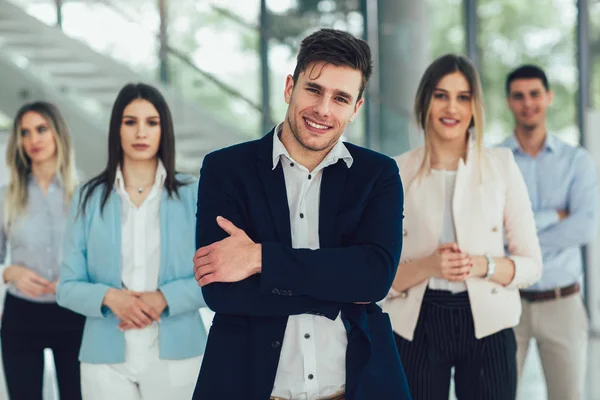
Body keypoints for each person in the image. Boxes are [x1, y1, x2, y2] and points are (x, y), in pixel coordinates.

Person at [192, 28, 411, 400]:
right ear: (290, 87)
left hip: (356, 388)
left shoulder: (378, 174)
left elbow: (373, 278)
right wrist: (338, 286)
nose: (324, 110)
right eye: (314, 89)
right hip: (249, 387)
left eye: (340, 98)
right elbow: (221, 292)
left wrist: (260, 258)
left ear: (356, 108)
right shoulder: (225, 169)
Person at [382, 54, 543, 400]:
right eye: (441, 95)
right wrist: (430, 265)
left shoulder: (501, 166)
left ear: (474, 107)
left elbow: (531, 265)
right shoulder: (395, 173)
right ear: (425, 100)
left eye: (463, 96)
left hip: (490, 323)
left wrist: (482, 265)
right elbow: (379, 277)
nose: (451, 107)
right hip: (414, 324)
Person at [56, 83, 208, 400]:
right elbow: (67, 286)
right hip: (105, 358)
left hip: (179, 353)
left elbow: (215, 276)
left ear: (164, 129)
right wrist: (112, 298)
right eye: (130, 121)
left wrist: (164, 297)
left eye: (151, 122)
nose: (141, 132)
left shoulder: (193, 193)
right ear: (117, 128)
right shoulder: (88, 196)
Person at [500, 65, 598, 400]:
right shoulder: (495, 160)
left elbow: (585, 225)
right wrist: (552, 216)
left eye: (534, 94)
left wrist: (520, 244)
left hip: (563, 302)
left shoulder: (576, 161)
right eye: (519, 96)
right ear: (508, 102)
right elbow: (488, 229)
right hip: (506, 300)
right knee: (496, 393)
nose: (528, 102)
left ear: (548, 97)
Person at [0, 101, 84, 400]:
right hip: (21, 315)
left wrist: (78, 279)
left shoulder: (85, 195)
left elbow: (102, 257)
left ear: (57, 133)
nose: (33, 139)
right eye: (25, 132)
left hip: (74, 313)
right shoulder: (5, 197)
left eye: (41, 129)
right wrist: (9, 271)